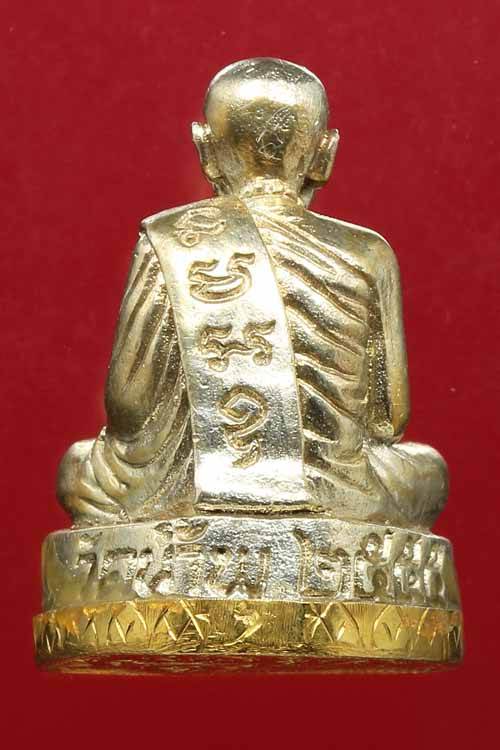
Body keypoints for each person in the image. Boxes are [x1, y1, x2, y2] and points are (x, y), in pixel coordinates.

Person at [58, 58, 447, 530]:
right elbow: (388, 420)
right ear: (325, 153)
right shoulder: (367, 252)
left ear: (204, 148)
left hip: (188, 484)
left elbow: (129, 406)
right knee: (426, 470)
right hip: (340, 485)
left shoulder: (169, 238)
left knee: (80, 468)